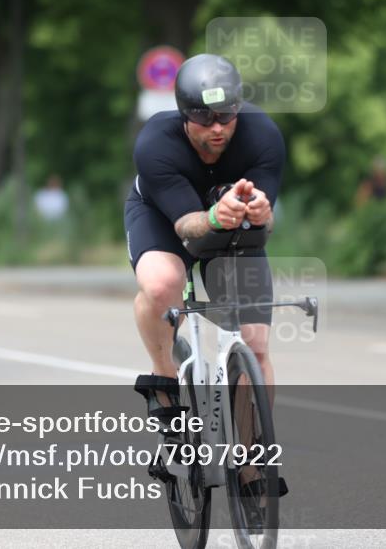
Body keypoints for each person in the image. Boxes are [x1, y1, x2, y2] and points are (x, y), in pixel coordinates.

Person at [123, 54, 286, 492]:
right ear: (183, 115)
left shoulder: (262, 136)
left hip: (233, 227)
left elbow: (264, 226)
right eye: (204, 118)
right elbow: (187, 228)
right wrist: (215, 216)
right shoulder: (155, 144)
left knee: (256, 340)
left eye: (226, 117)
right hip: (167, 219)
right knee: (162, 285)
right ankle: (165, 381)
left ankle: (253, 462)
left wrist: (263, 215)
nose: (218, 128)